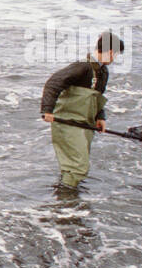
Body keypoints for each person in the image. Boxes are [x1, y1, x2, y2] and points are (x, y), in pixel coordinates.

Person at [40, 30, 124, 189]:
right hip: (67, 122)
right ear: (110, 52)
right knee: (78, 165)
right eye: (116, 55)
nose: (115, 59)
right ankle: (67, 202)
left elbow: (97, 97)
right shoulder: (82, 67)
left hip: (85, 124)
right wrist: (47, 110)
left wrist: (100, 117)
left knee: (73, 165)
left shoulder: (103, 72)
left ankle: (64, 197)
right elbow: (53, 83)